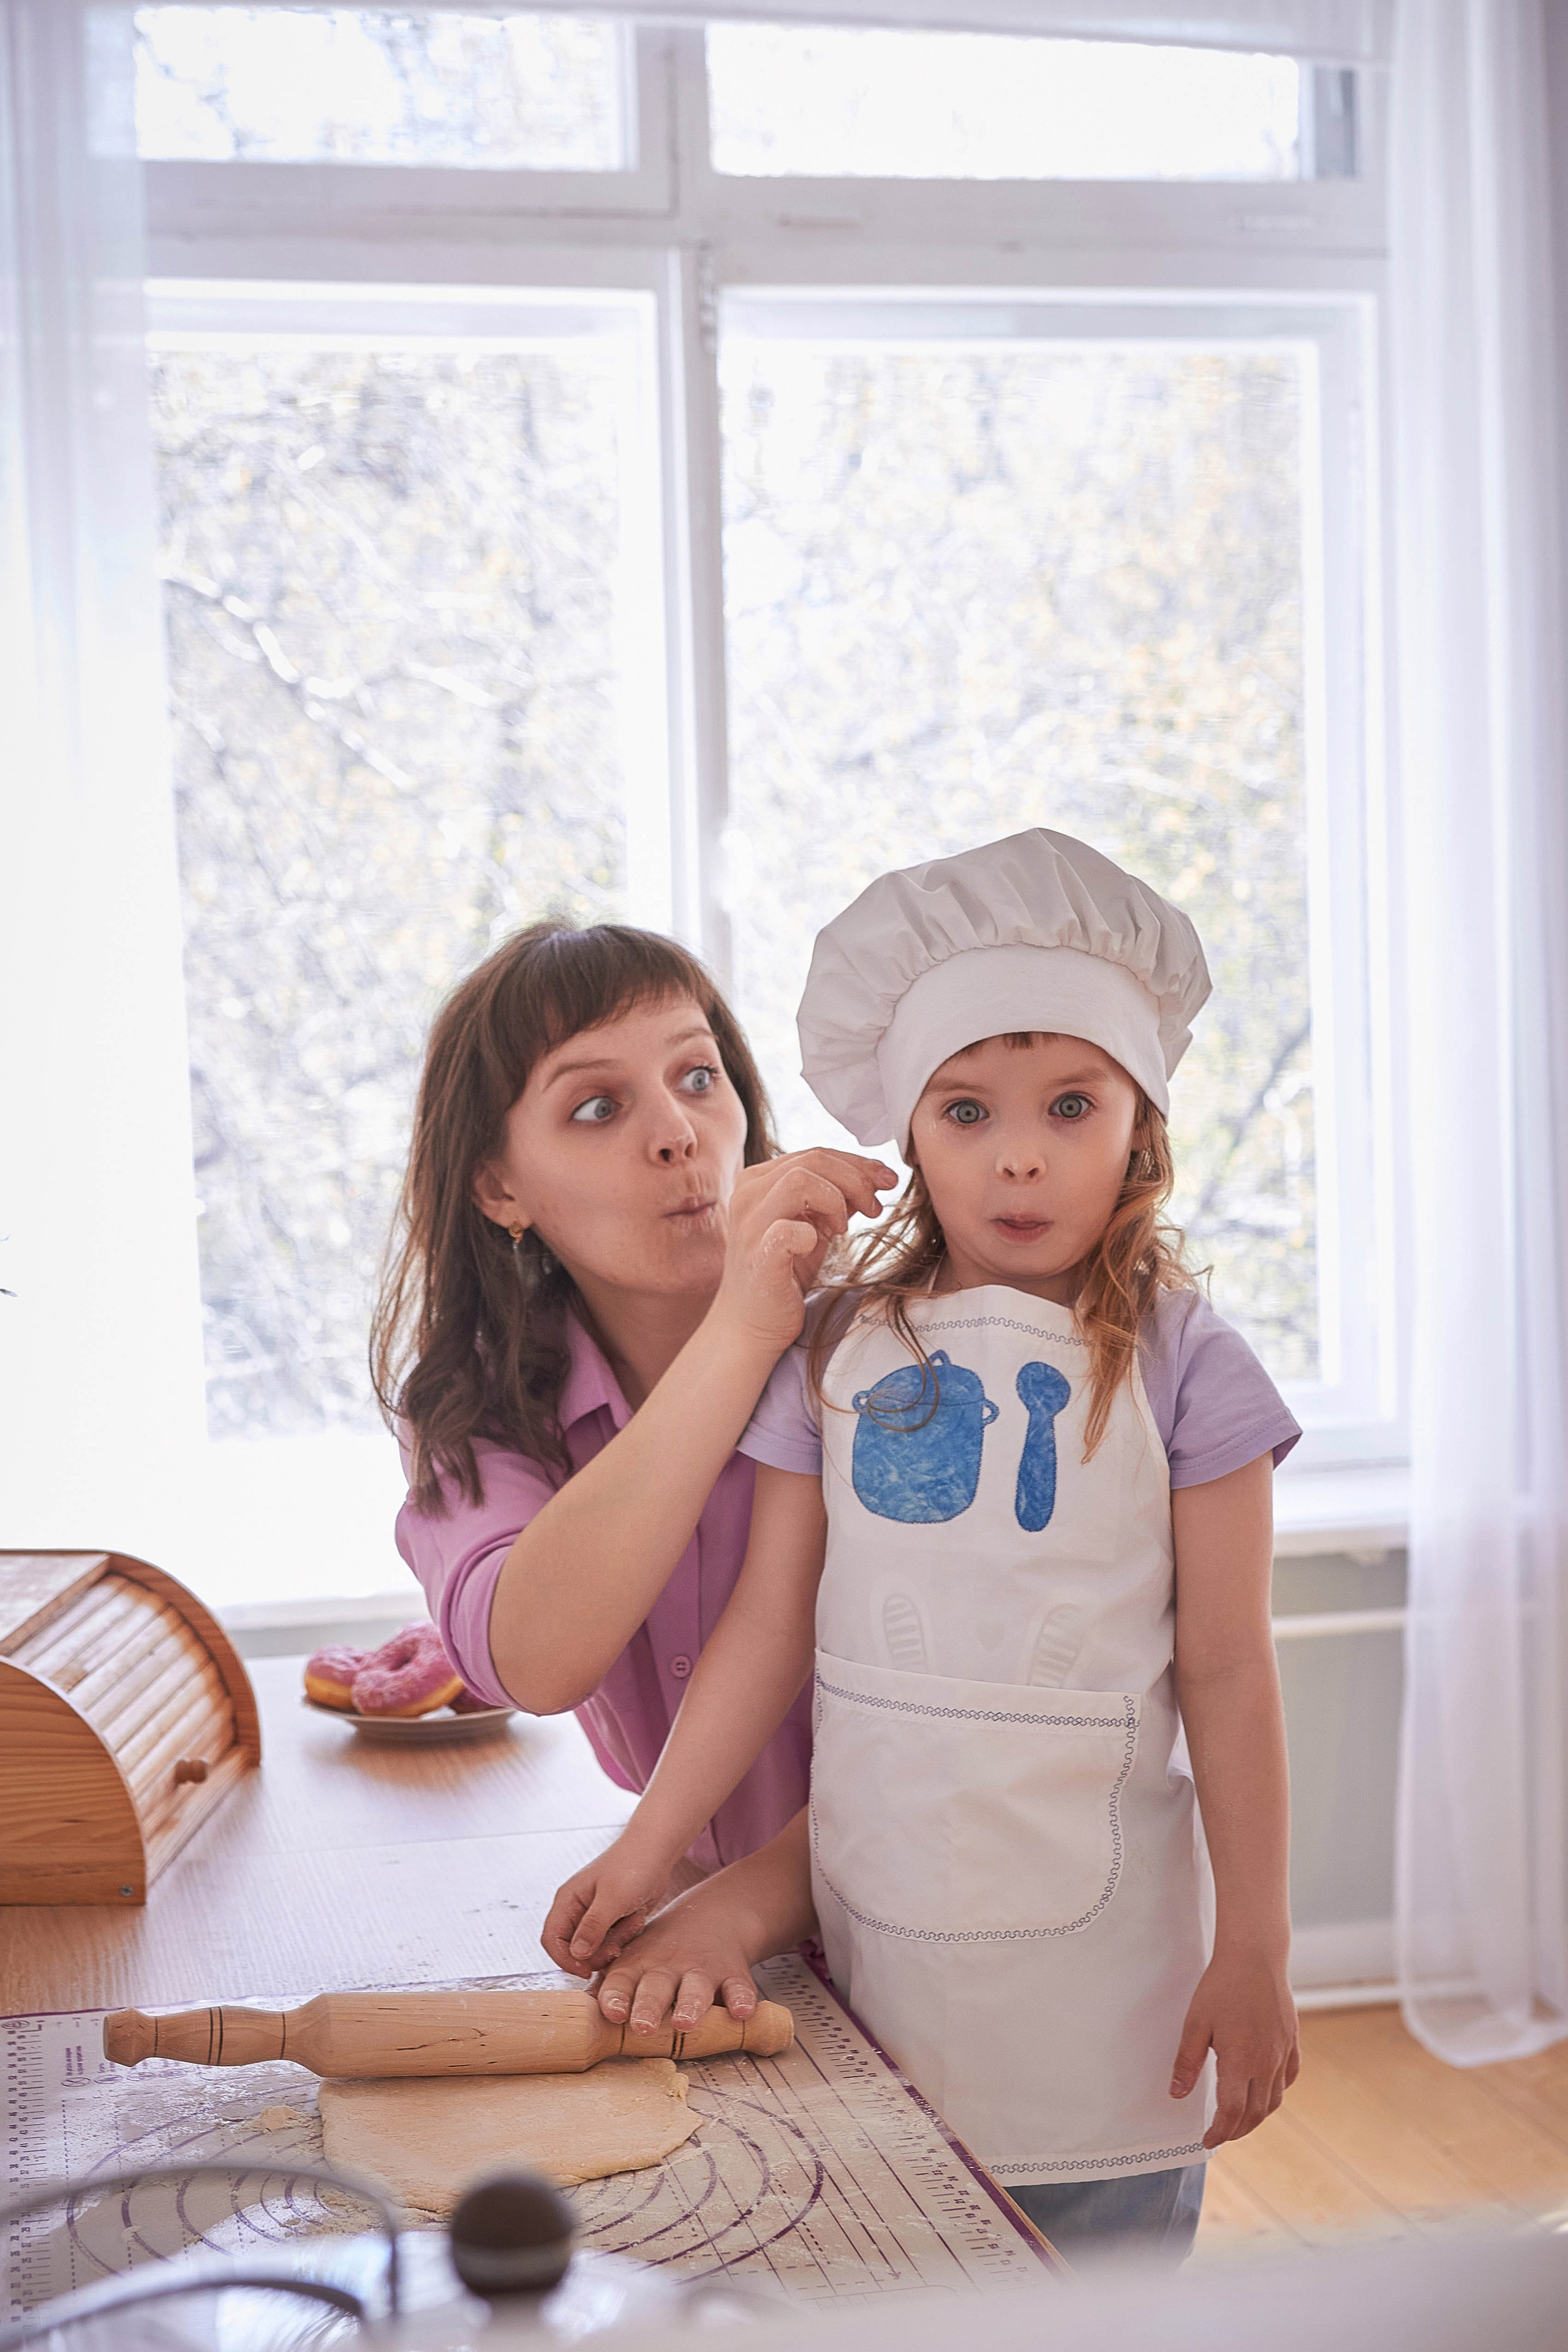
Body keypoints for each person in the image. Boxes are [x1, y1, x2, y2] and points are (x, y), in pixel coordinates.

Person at [541, 830, 1303, 2266]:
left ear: (1137, 1123)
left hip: (1108, 1972)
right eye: (965, 1110)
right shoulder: (829, 1355)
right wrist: (647, 1850)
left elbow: (1228, 1672)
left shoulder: (1190, 1367)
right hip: (875, 1945)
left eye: (1068, 1105)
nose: (1017, 1152)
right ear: (909, 1135)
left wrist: (1256, 1945)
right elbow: (767, 1631)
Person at [372, 917, 893, 1874]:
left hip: (934, 1934)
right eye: (598, 1108)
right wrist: (737, 1340)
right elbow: (533, 1661)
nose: (677, 1134)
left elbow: (963, 1746)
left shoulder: (889, 1359)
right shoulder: (477, 1408)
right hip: (709, 1935)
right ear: (498, 1188)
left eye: (698, 1078)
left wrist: (736, 1913)